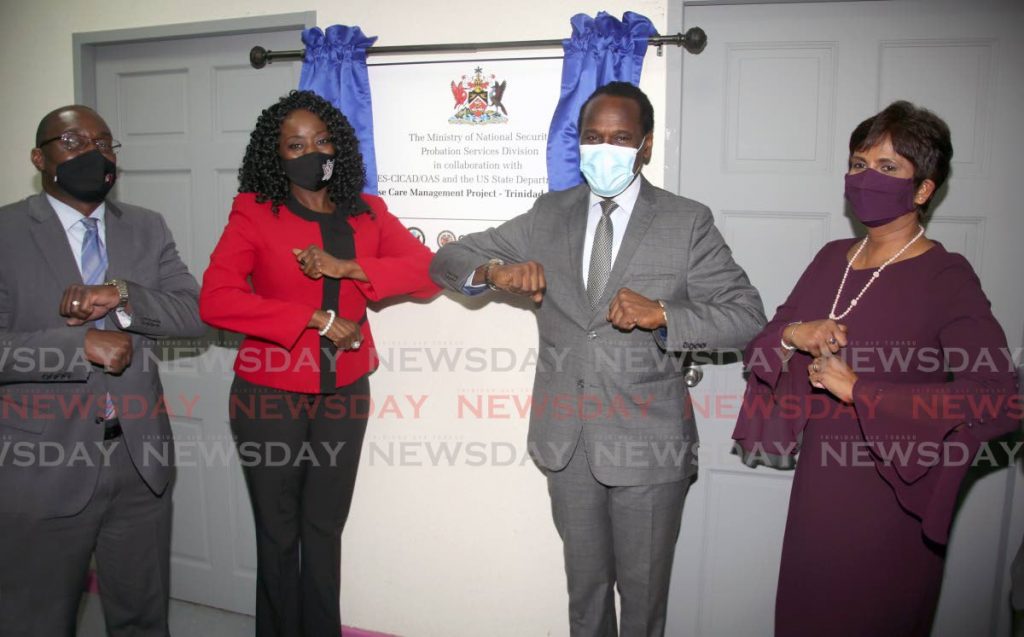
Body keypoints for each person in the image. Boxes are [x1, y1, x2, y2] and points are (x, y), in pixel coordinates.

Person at [430, 81, 765, 637]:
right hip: (569, 442)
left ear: (646, 146)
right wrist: (494, 272)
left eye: (620, 137)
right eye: (592, 137)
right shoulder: (548, 214)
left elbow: (747, 316)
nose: (603, 149)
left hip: (650, 447)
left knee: (642, 601)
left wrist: (663, 313)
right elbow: (447, 258)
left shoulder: (687, 222)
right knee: (584, 597)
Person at [732, 100, 1021, 636]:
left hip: (893, 502)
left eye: (889, 167)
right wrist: (798, 334)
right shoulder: (829, 258)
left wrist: (862, 389)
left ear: (923, 189)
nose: (867, 178)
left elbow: (999, 398)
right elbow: (759, 350)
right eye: (859, 164)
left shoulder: (946, 277)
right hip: (819, 492)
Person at [199, 90, 438, 636]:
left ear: (339, 146)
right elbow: (215, 299)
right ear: (275, 154)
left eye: (322, 140)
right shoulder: (255, 213)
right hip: (269, 397)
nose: (313, 151)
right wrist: (311, 319)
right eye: (296, 144)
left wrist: (352, 268)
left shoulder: (368, 213)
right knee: (279, 534)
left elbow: (427, 273)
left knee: (325, 529)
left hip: (345, 392)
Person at [0, 105, 204, 635]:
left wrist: (121, 295)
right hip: (39, 466)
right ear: (39, 158)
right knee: (37, 620)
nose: (94, 153)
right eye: (73, 141)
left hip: (139, 460)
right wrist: (78, 347)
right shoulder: (5, 232)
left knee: (141, 619)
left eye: (106, 143)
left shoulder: (145, 226)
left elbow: (194, 313)